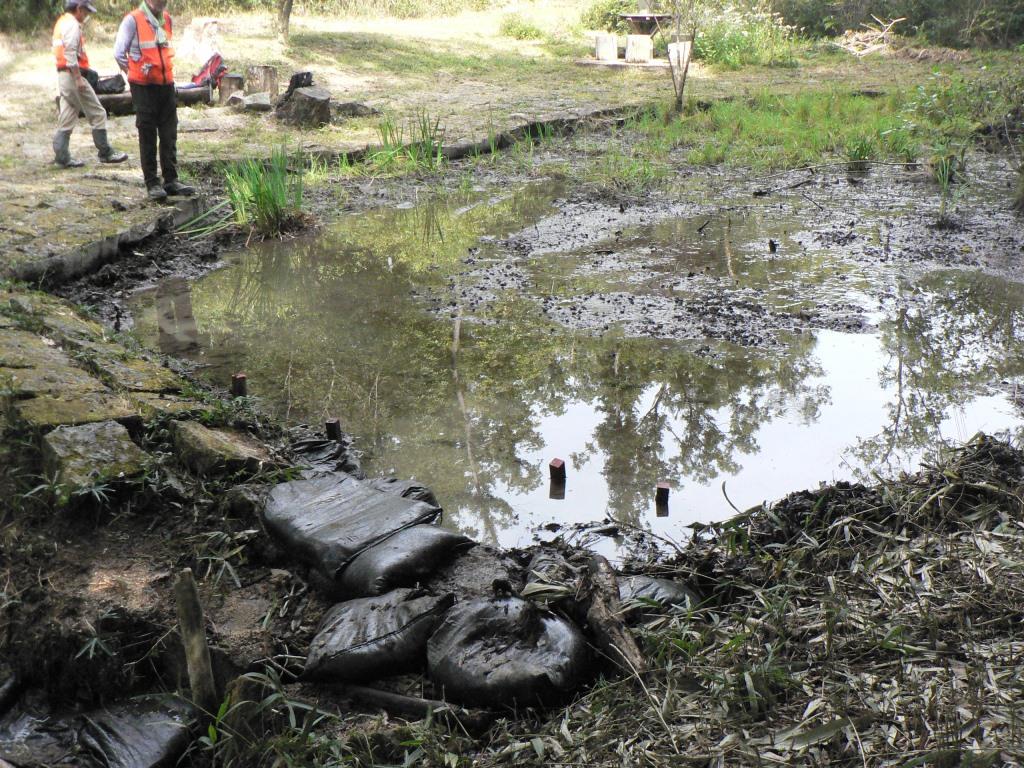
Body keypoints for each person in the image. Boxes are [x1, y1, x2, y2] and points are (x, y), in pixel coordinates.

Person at [113, 0, 194, 201]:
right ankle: (152, 183)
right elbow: (118, 53)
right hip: (143, 87)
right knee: (147, 133)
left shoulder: (166, 18)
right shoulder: (132, 20)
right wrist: (133, 72)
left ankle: (171, 180)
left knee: (169, 132)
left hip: (166, 84)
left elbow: (164, 49)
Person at [52, 0, 128, 168]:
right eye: (85, 12)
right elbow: (71, 53)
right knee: (98, 112)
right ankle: (105, 152)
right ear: (78, 8)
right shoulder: (72, 25)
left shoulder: (61, 22)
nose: (86, 16)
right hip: (72, 76)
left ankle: (62, 156)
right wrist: (79, 78)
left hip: (63, 76)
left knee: (68, 114)